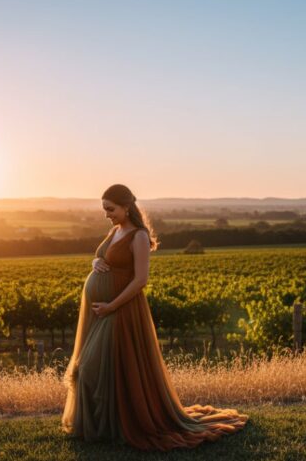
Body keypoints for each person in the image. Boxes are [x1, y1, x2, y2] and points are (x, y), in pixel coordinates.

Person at [61, 184, 248, 451]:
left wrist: (112, 306)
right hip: (103, 311)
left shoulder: (138, 236)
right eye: (104, 210)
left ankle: (120, 426)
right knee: (102, 369)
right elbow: (101, 256)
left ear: (126, 207)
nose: (107, 215)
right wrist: (94, 263)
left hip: (121, 310)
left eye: (110, 209)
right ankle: (106, 428)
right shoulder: (115, 231)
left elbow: (141, 280)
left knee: (92, 367)